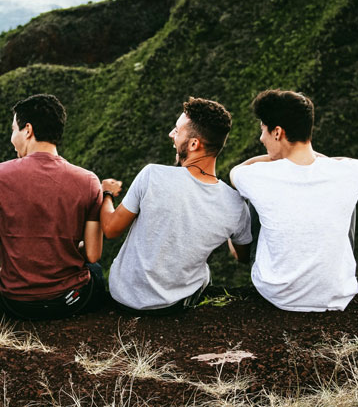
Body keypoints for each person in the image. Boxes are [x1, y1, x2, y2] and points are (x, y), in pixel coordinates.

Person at [101, 97, 252, 315]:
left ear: (193, 144)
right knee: (204, 272)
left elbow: (111, 229)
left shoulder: (152, 175)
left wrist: (106, 193)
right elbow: (242, 257)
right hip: (174, 305)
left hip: (123, 297)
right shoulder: (236, 205)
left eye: (177, 130)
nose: (171, 135)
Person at [230, 89, 358, 312]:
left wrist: (273, 158)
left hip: (277, 294)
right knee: (347, 197)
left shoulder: (256, 176)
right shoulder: (352, 173)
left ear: (277, 132)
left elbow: (236, 172)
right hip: (336, 295)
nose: (261, 139)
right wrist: (317, 159)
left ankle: (244, 257)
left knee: (253, 198)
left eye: (263, 131)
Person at [0, 94, 105, 320]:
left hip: (16, 303)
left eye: (13, 129)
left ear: (28, 130)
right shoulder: (89, 181)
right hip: (70, 301)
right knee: (95, 271)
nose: (11, 138)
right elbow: (93, 254)